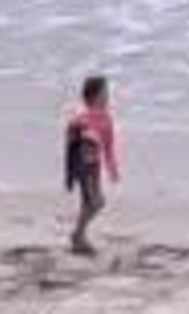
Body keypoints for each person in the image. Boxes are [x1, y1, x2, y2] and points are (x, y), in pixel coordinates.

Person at [65, 76, 120, 256]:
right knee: (95, 202)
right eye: (104, 93)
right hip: (82, 166)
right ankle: (78, 235)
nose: (108, 97)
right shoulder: (81, 118)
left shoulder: (107, 120)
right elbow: (70, 140)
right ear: (94, 96)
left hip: (94, 166)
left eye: (107, 93)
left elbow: (109, 147)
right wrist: (80, 131)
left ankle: (78, 236)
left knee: (92, 203)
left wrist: (112, 170)